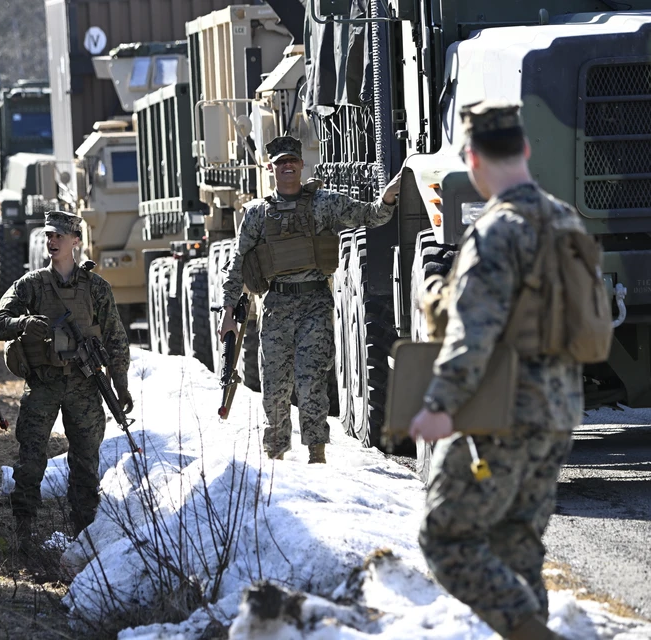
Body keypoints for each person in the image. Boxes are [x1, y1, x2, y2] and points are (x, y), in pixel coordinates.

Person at [410, 101, 581, 640]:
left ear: (472, 159)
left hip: (503, 412)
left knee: (445, 538)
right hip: (558, 413)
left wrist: (439, 406)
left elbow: (473, 334)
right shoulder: (565, 219)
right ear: (526, 149)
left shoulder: (495, 230)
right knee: (517, 544)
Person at [217, 135, 400, 463]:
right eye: (281, 162)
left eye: (293, 161)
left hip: (315, 304)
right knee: (274, 386)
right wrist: (229, 310)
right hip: (276, 307)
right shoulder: (258, 214)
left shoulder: (324, 203)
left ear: (302, 165)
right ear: (270, 167)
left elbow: (369, 216)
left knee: (311, 380)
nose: (287, 166)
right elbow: (238, 262)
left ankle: (317, 455)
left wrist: (385, 201)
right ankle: (275, 457)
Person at [0, 210, 131, 541]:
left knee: (85, 462)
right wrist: (22, 324)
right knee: (31, 459)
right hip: (43, 384)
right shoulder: (31, 285)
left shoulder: (96, 287)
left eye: (59, 236)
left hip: (84, 385)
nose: (52, 241)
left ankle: (83, 533)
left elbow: (115, 338)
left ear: (75, 241)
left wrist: (120, 383)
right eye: (48, 236)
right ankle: (24, 531)